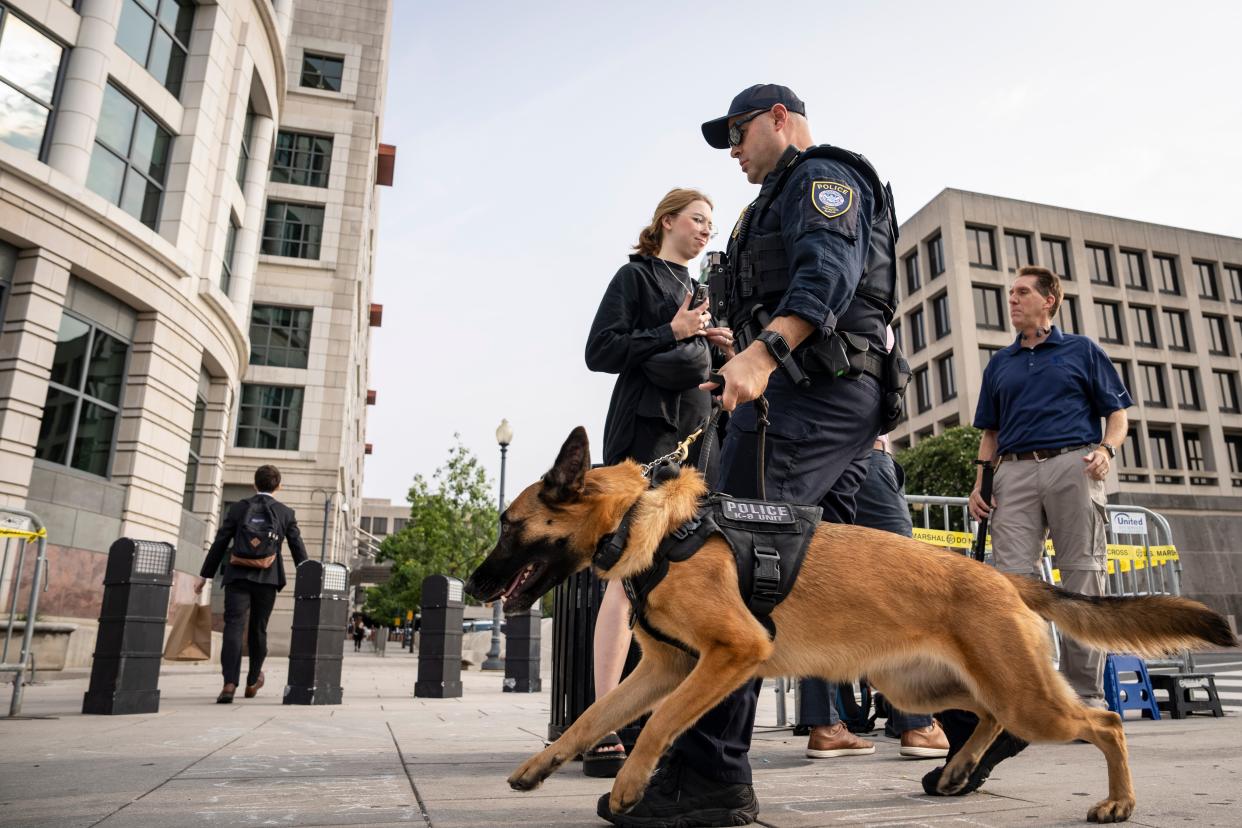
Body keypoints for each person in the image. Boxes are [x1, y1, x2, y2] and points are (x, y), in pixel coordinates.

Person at [598, 84, 899, 827]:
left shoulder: (823, 179)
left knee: (733, 559)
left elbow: (826, 271)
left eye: (736, 135)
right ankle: (978, 719)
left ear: (778, 119)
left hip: (816, 393)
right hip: (810, 397)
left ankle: (712, 778)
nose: (731, 152)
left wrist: (764, 353)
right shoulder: (762, 207)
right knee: (885, 561)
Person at [928, 264, 1132, 794]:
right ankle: (1023, 696)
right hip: (1014, 472)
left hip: (1073, 464)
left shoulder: (1082, 351)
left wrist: (1106, 451)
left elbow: (1118, 415)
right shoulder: (1001, 363)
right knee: (1008, 589)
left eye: (1022, 293)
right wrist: (981, 481)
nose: (1012, 300)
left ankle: (1087, 700)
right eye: (1010, 293)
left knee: (1081, 579)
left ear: (1050, 300)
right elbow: (990, 432)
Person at [584, 188, 731, 777]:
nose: (704, 231)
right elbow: (600, 351)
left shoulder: (703, 294)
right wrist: (670, 331)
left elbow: (701, 372)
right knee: (625, 578)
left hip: (698, 449)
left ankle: (669, 724)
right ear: (667, 221)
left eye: (710, 225)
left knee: (686, 584)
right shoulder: (636, 278)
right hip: (643, 447)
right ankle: (602, 725)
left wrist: (720, 349)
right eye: (697, 219)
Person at [797, 332, 949, 761]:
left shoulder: (783, 299)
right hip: (862, 455)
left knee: (816, 596)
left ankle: (825, 725)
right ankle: (916, 723)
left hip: (804, 459)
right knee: (907, 591)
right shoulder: (860, 297)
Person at [195, 464, 308, 703]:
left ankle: (229, 684)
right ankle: (252, 679)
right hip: (268, 578)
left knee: (234, 627)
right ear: (279, 486)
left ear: (254, 484)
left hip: (237, 575)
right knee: (259, 628)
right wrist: (308, 577)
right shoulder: (286, 513)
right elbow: (298, 549)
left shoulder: (239, 508)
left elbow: (220, 542)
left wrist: (205, 575)